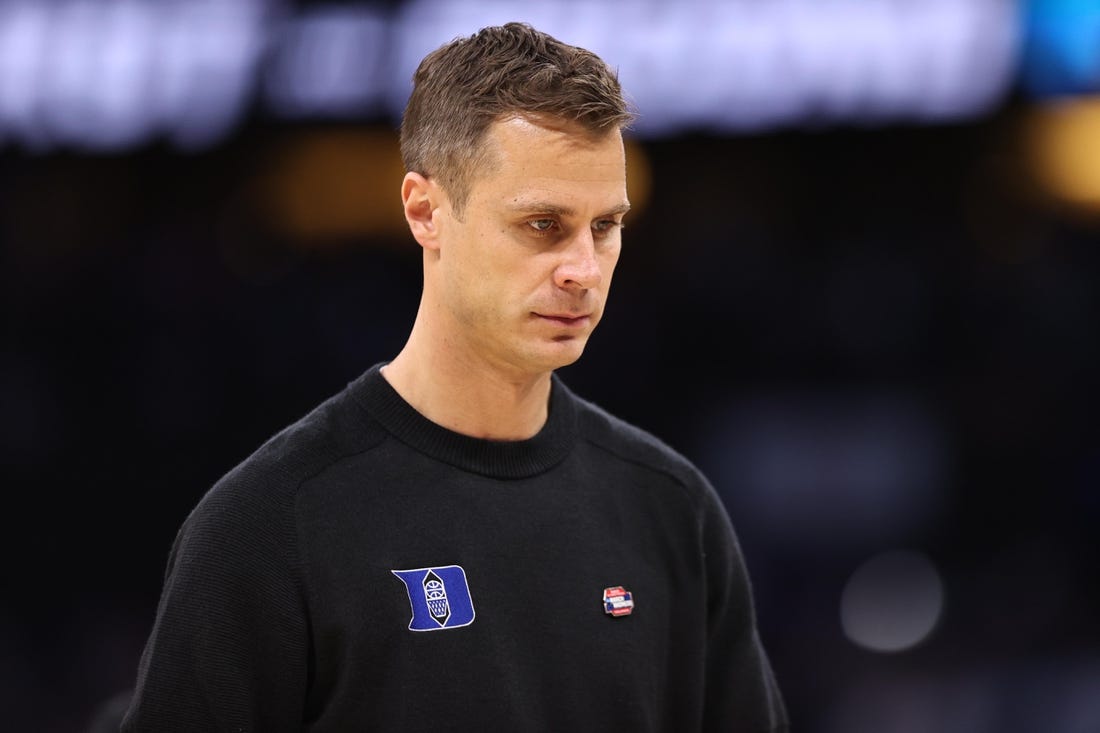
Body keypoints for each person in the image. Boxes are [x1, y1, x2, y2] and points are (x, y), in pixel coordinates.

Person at [122, 22, 788, 732]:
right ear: (424, 211)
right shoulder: (268, 524)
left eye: (605, 226)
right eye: (542, 225)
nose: (584, 270)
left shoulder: (673, 511)